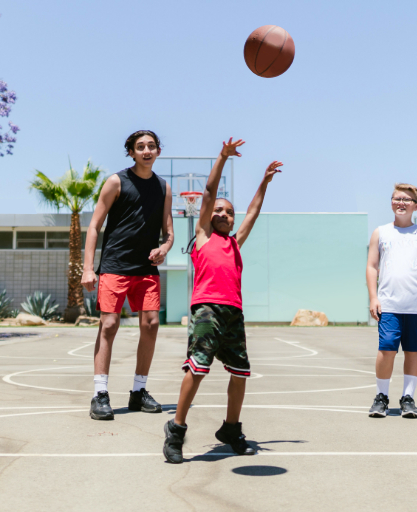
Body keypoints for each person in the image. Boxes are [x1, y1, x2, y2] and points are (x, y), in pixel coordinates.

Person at [163, 138, 283, 463]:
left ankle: (231, 428)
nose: (224, 214)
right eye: (219, 210)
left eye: (229, 212)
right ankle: (176, 428)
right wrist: (222, 157)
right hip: (206, 309)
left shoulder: (236, 243)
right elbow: (207, 194)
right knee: (198, 368)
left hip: (234, 313)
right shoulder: (202, 236)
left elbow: (254, 212)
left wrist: (264, 182)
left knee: (240, 371)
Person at [82, 130, 174, 420]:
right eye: (140, 147)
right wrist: (88, 268)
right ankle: (100, 394)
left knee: (151, 324)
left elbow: (169, 233)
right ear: (131, 153)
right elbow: (95, 226)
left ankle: (139, 391)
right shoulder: (116, 182)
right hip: (115, 264)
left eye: (151, 146)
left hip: (146, 268)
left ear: (158, 151)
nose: (146, 150)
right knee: (108, 324)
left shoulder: (163, 188)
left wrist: (165, 248)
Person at [366, 183, 417, 419]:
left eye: (407, 200)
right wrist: (373, 297)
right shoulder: (381, 232)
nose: (401, 203)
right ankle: (381, 397)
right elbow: (372, 266)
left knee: (413, 351)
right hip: (389, 305)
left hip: (416, 306)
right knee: (386, 350)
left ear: (416, 205)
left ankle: (408, 397)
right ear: (391, 202)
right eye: (397, 198)